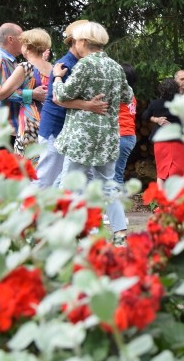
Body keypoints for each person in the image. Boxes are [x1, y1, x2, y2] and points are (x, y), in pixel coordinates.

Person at [52, 22, 133, 244]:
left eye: (76, 41)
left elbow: (63, 95)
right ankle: (120, 234)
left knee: (69, 184)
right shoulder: (115, 67)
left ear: (84, 42)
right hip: (107, 136)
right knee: (108, 185)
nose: (74, 45)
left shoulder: (85, 65)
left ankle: (66, 234)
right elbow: (128, 96)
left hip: (83, 137)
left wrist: (57, 77)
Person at [35, 20, 107, 187]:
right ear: (77, 41)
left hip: (69, 131)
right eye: (89, 41)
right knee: (46, 179)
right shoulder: (66, 65)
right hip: (55, 129)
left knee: (75, 179)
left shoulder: (82, 64)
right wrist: (89, 106)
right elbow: (57, 98)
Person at [0, 28, 52, 157]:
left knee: (27, 170)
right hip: (49, 123)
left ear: (27, 47)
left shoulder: (25, 67)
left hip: (29, 126)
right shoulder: (52, 67)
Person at [142, 78, 184, 189]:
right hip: (178, 142)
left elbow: (144, 116)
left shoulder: (155, 104)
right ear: (176, 91)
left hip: (160, 142)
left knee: (161, 173)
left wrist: (156, 119)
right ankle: (177, 203)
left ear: (161, 90)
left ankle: (162, 202)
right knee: (178, 174)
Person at [0, 23, 30, 144]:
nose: (25, 41)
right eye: (22, 37)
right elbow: (3, 92)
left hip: (12, 128)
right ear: (10, 39)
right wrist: (33, 95)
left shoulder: (12, 62)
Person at [115, 63, 138, 184]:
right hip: (128, 136)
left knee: (115, 176)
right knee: (116, 173)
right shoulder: (131, 93)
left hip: (121, 135)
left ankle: (119, 202)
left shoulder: (119, 93)